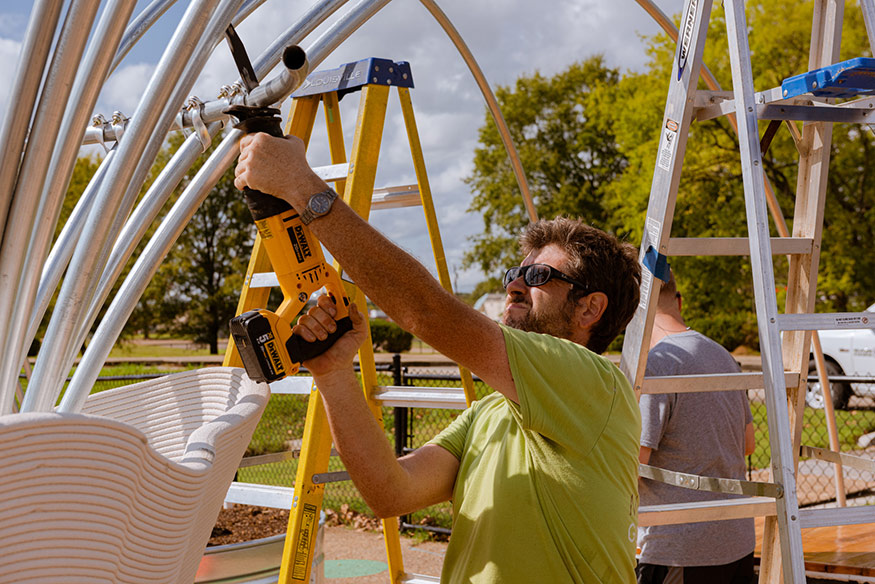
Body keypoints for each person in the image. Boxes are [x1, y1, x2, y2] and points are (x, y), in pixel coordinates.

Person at [234, 131, 642, 583]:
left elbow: (427, 312)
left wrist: (301, 186)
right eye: (515, 272)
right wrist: (332, 372)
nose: (514, 285)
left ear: (590, 308)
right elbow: (389, 492)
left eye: (538, 275)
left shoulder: (595, 385)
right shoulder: (489, 414)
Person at [636, 271, 756, 584]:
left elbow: (634, 464)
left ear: (633, 312)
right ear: (679, 301)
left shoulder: (658, 363)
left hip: (680, 549)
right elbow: (748, 443)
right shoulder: (723, 355)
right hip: (737, 540)